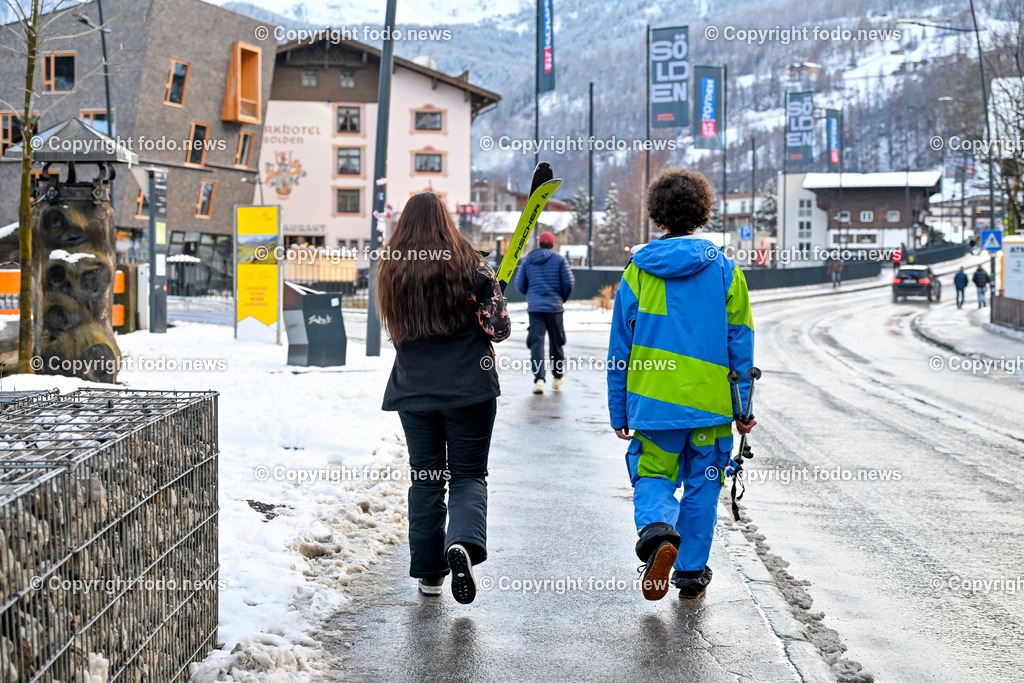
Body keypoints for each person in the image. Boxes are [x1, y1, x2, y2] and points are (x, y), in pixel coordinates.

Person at [607, 168, 756, 601]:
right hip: (710, 405)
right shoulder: (727, 271)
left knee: (652, 475)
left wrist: (620, 411)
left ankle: (657, 535)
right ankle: (690, 574)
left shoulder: (636, 273)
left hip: (653, 405)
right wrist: (742, 408)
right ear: (702, 213)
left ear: (658, 215)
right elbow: (740, 345)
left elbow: (621, 348)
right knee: (704, 483)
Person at [378, 192, 511, 604]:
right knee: (469, 476)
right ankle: (464, 545)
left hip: (414, 392)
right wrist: (494, 297)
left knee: (426, 479)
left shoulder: (391, 269)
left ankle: (430, 575)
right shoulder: (472, 266)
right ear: (446, 222)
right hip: (469, 389)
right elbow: (498, 330)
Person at [515, 231, 574, 394]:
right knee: (557, 342)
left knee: (536, 343)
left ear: (539, 244)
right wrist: (560, 298)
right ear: (553, 245)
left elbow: (520, 284)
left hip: (535, 309)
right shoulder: (560, 260)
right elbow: (569, 283)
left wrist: (532, 295)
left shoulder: (528, 261)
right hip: (555, 308)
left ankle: (539, 380)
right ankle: (557, 378)